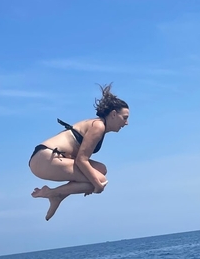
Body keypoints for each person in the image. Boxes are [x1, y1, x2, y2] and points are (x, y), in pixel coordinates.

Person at [30, 83, 129, 220]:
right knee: (100, 180)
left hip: (48, 158)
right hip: (44, 159)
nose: (126, 123)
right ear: (113, 114)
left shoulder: (98, 125)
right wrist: (96, 186)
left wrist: (89, 184)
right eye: (124, 118)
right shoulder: (98, 126)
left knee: (101, 170)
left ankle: (57, 195)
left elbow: (81, 160)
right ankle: (53, 193)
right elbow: (81, 160)